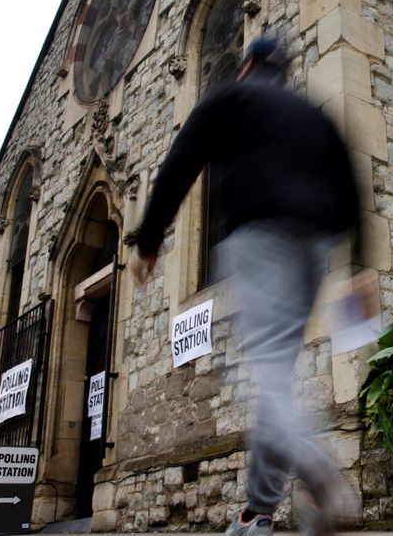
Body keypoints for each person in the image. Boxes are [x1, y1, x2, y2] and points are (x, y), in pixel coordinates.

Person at [130, 35, 360, 536]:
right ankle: (257, 512)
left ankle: (314, 463)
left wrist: (148, 239)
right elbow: (350, 182)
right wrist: (358, 264)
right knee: (276, 373)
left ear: (249, 64)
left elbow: (180, 161)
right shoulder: (310, 113)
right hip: (314, 247)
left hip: (260, 236)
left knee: (264, 371)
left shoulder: (230, 98)